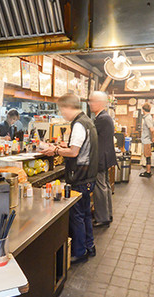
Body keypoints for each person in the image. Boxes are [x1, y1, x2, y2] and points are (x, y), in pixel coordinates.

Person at [41, 93, 98, 263]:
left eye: (61, 109)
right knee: (86, 214)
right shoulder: (87, 121)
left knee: (77, 216)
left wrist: (55, 150)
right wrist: (64, 145)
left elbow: (74, 152)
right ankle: (89, 246)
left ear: (67, 107)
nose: (62, 113)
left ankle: (80, 252)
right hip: (88, 176)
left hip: (80, 177)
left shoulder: (79, 124)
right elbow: (79, 146)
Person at [89, 91, 117, 227]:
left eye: (92, 101)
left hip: (100, 158)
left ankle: (102, 218)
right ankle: (107, 214)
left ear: (99, 103)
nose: (89, 104)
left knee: (100, 188)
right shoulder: (106, 117)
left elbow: (90, 137)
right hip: (106, 157)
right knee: (105, 187)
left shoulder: (102, 119)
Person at [140, 103, 154, 178]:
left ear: (143, 110)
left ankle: (148, 172)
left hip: (147, 140)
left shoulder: (147, 118)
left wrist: (153, 138)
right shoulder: (149, 117)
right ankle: (148, 171)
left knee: (147, 156)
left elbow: (152, 129)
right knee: (147, 156)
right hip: (147, 140)